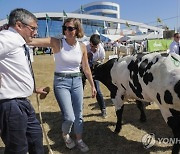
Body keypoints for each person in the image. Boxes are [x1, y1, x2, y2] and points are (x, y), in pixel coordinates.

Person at [28, 18, 96, 152]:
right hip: (61, 82)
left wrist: (92, 85)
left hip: (77, 80)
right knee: (69, 117)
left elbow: (86, 68)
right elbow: (30, 41)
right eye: (65, 28)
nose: (67, 31)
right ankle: (65, 135)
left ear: (77, 30)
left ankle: (79, 139)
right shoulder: (57, 42)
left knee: (79, 114)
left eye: (70, 28)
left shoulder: (82, 46)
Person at [0, 8, 49, 154]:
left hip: (22, 102)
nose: (35, 32)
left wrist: (33, 89)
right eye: (32, 28)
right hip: (10, 104)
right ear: (19, 25)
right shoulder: (7, 37)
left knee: (35, 139)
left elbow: (17, 71)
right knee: (18, 149)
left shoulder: (20, 42)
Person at [82, 34, 107, 118]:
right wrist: (86, 57)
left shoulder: (102, 51)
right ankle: (79, 110)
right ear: (90, 43)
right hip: (83, 69)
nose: (94, 48)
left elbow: (101, 62)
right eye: (92, 46)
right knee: (79, 91)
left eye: (95, 46)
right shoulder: (84, 46)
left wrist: (94, 66)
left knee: (97, 90)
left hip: (93, 70)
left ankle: (103, 109)